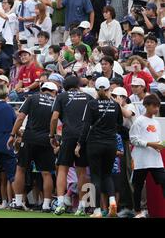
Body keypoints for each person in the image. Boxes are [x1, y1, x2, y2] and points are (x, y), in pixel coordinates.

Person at [76, 77, 123, 218]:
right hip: (111, 143)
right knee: (107, 175)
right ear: (109, 89)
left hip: (94, 144)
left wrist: (79, 144)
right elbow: (119, 124)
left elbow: (85, 127)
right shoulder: (115, 105)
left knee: (95, 176)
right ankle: (112, 202)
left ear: (95, 90)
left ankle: (96, 211)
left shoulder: (91, 104)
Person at [8, 82, 58, 212]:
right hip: (46, 139)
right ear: (54, 92)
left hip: (29, 138)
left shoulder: (32, 98)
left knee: (21, 169)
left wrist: (13, 134)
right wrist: (52, 137)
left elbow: (20, 118)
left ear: (42, 89)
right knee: (46, 173)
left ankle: (18, 202)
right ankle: (46, 205)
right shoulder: (56, 102)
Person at [50, 75, 94, 216]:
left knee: (62, 169)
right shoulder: (88, 97)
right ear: (78, 85)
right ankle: (81, 206)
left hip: (68, 135)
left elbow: (54, 117)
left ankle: (61, 203)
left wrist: (51, 135)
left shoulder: (61, 97)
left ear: (64, 86)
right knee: (82, 172)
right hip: (84, 137)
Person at [129, 94, 165, 218]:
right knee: (138, 186)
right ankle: (137, 212)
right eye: (154, 106)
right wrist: (149, 144)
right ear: (146, 106)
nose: (156, 109)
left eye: (158, 106)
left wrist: (159, 146)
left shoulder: (156, 122)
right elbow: (133, 139)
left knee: (163, 182)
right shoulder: (138, 121)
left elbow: (157, 139)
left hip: (155, 159)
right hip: (140, 159)